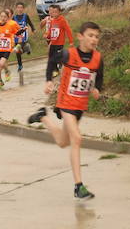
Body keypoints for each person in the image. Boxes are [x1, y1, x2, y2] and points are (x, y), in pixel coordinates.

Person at [28, 21, 103, 200]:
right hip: (66, 102)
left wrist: (97, 89)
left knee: (63, 142)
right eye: (90, 35)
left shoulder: (98, 58)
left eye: (96, 36)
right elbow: (52, 60)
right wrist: (48, 80)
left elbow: (98, 76)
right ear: (80, 36)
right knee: (77, 138)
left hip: (80, 106)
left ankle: (42, 117)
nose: (94, 39)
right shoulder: (69, 54)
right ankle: (78, 186)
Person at [39, 3, 74, 80]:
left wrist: (71, 41)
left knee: (57, 57)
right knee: (51, 57)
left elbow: (68, 30)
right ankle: (55, 70)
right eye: (53, 12)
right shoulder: (52, 21)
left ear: (59, 12)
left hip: (60, 43)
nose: (54, 14)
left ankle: (67, 64)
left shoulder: (62, 20)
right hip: (53, 42)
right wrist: (47, 36)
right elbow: (50, 31)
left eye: (55, 12)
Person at [11, 2, 36, 72]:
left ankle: (26, 48)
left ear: (23, 8)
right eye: (18, 7)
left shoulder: (26, 16)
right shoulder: (14, 17)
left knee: (18, 47)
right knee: (18, 51)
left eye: (21, 7)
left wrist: (33, 29)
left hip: (24, 36)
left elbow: (30, 23)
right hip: (16, 36)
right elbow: (11, 26)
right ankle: (20, 64)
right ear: (16, 8)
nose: (20, 9)